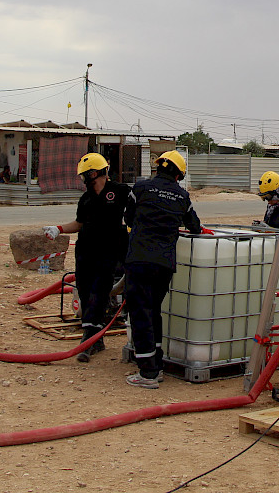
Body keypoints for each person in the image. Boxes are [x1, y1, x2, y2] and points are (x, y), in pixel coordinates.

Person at [122, 150, 201, 389]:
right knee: (153, 310)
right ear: (178, 175)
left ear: (158, 168)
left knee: (140, 313)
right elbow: (195, 227)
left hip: (139, 260)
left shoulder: (140, 189)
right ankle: (156, 364)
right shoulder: (182, 197)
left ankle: (147, 373)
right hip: (164, 264)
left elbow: (128, 219)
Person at [43, 153, 130, 362]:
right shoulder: (86, 199)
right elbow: (79, 224)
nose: (82, 181)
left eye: (84, 176)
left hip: (109, 254)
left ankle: (89, 340)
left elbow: (136, 216)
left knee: (98, 295)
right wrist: (59, 228)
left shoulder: (121, 192)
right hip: (85, 253)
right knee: (84, 292)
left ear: (94, 173)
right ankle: (95, 338)